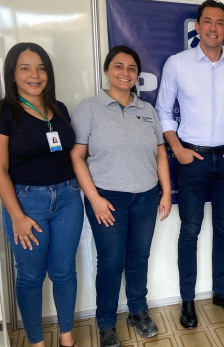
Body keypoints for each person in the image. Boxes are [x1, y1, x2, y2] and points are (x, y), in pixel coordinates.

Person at [155, 0, 224, 328]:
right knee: (190, 230)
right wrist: (177, 148)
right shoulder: (177, 64)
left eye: (219, 22)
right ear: (197, 27)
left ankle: (221, 293)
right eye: (207, 21)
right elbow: (163, 111)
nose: (213, 28)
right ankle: (187, 301)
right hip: (191, 160)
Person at [70, 45, 172, 347]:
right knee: (112, 261)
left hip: (146, 197)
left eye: (131, 68)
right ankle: (105, 323)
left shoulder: (147, 110)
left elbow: (160, 153)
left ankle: (138, 311)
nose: (125, 72)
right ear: (107, 71)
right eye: (118, 66)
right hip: (107, 199)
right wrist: (95, 199)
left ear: (137, 75)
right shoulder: (90, 108)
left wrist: (165, 191)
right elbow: (77, 157)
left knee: (139, 258)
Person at [0, 42, 83, 347]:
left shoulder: (59, 108)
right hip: (26, 202)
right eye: (25, 68)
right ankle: (37, 343)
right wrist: (17, 216)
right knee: (30, 276)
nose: (34, 75)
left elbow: (70, 154)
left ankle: (67, 338)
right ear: (13, 74)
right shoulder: (1, 112)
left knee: (65, 271)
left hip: (67, 198)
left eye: (40, 68)